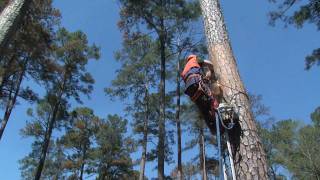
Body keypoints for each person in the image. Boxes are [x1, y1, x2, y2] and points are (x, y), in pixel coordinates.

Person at [181, 54, 219, 134]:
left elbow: (191, 76)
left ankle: (213, 128)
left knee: (204, 109)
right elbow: (209, 63)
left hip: (190, 89)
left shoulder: (185, 69)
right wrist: (211, 71)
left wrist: (204, 77)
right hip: (196, 82)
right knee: (212, 100)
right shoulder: (195, 59)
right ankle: (220, 119)